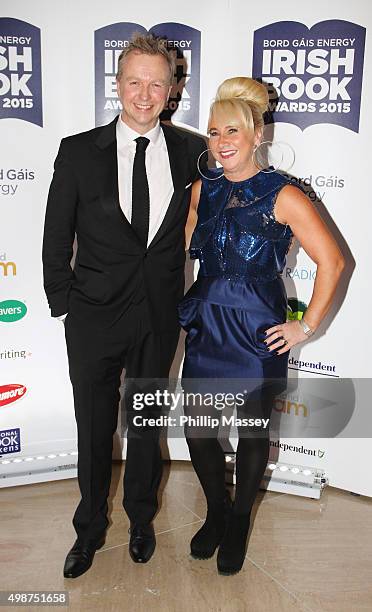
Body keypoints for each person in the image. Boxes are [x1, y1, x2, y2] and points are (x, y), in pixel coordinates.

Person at [42, 34, 205, 578]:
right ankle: (88, 529)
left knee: (145, 422)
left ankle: (140, 519)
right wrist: (62, 300)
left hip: (158, 314)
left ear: (172, 89)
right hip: (91, 314)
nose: (145, 93)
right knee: (93, 426)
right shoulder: (77, 149)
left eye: (157, 82)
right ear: (116, 84)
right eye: (135, 81)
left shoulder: (191, 152)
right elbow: (55, 232)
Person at [179, 77, 345, 575]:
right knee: (199, 430)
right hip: (208, 321)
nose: (222, 141)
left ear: (257, 135)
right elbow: (183, 253)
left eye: (233, 129)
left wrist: (305, 327)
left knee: (253, 432)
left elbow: (332, 262)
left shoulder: (284, 194)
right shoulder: (199, 189)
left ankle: (238, 523)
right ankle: (216, 512)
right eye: (213, 131)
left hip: (257, 330)